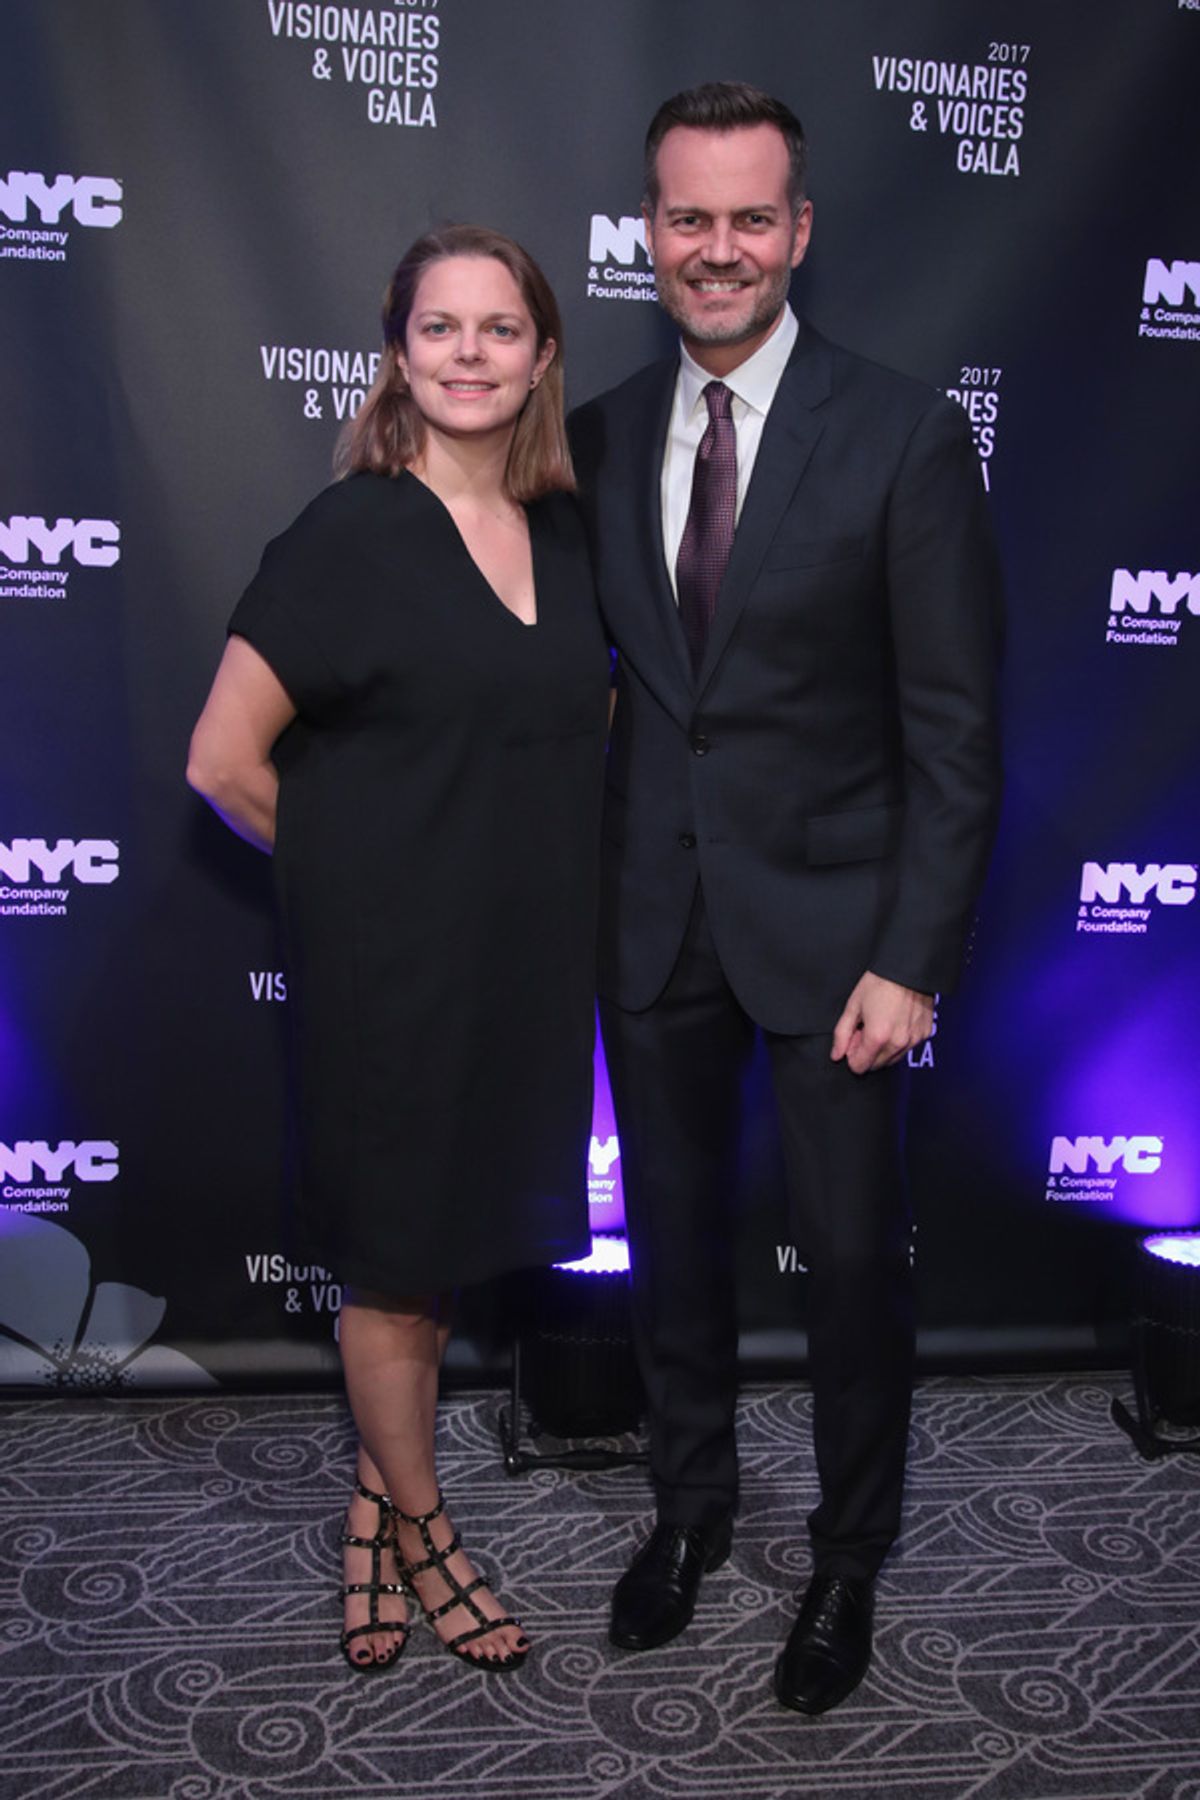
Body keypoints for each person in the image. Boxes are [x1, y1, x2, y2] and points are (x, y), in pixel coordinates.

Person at [569, 83, 1003, 1715]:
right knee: (670, 1248)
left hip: (842, 950)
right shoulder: (599, 433)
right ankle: (688, 1516)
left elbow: (955, 731)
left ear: (799, 231)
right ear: (651, 233)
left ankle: (846, 1560)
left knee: (848, 1264)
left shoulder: (900, 431)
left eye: (753, 218)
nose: (720, 249)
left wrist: (913, 957)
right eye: (691, 218)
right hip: (652, 922)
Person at [188, 225, 609, 1676]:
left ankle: (369, 1515)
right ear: (400, 350)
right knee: (390, 1262)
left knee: (437, 1260)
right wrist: (358, 887)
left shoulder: (570, 532)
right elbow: (225, 762)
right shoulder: (353, 532)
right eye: (443, 328)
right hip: (392, 970)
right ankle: (428, 1533)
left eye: (502, 328)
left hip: (526, 961)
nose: (472, 353)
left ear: (543, 355)